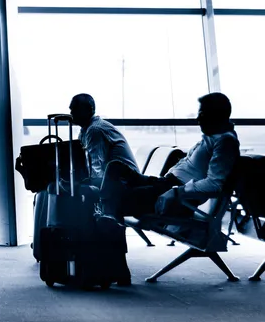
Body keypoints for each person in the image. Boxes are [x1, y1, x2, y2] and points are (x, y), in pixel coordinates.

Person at [97, 92, 240, 224]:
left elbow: (214, 185)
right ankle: (107, 215)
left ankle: (107, 222)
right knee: (115, 167)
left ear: (215, 116)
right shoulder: (212, 137)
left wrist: (177, 191)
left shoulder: (225, 142)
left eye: (201, 114)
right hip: (164, 183)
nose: (197, 119)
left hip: (176, 197)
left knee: (116, 198)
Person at [69, 93, 139, 186]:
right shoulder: (84, 131)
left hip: (127, 183)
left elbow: (96, 170)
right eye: (71, 109)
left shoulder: (95, 130)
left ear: (89, 110)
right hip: (118, 180)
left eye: (75, 109)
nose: (71, 113)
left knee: (68, 190)